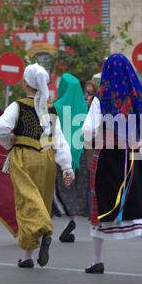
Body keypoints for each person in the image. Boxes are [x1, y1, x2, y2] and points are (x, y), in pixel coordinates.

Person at [81, 53, 142, 275]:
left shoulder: (102, 98)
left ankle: (97, 260)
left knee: (100, 209)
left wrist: (92, 138)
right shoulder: (136, 96)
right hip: (132, 156)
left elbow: (88, 130)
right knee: (133, 203)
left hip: (106, 156)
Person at [0, 63, 74, 268]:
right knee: (42, 201)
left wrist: (9, 141)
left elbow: (1, 128)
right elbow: (58, 139)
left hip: (24, 158)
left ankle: (45, 229)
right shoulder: (50, 109)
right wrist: (67, 167)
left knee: (27, 203)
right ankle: (28, 257)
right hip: (46, 159)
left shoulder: (17, 105)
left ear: (25, 83)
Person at [53, 73, 89, 243]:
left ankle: (68, 222)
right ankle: (71, 223)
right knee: (75, 190)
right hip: (80, 154)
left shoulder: (56, 107)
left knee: (61, 189)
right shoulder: (85, 107)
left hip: (62, 154)